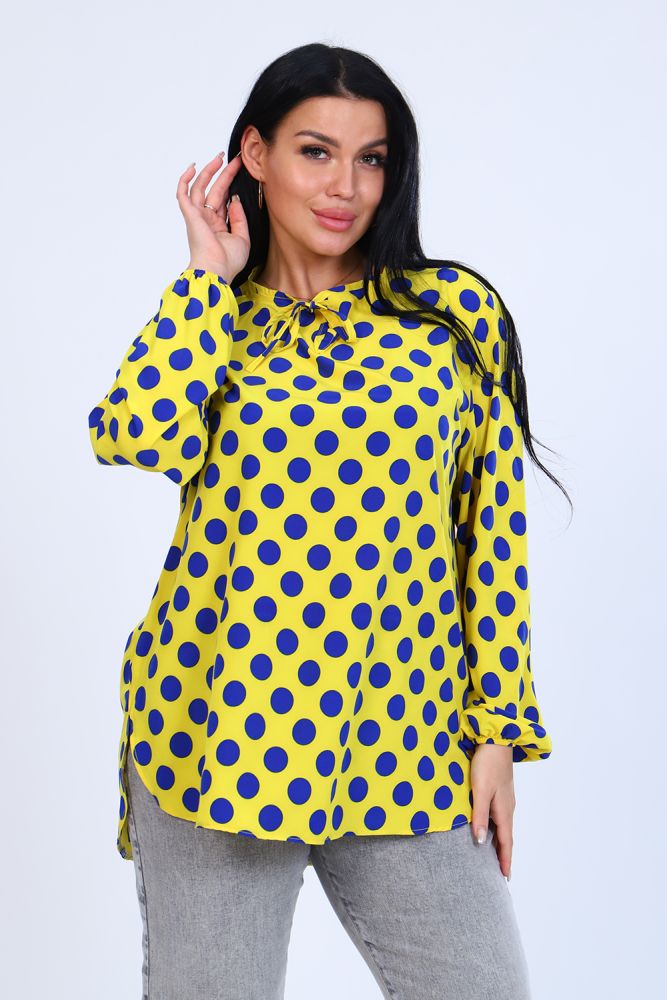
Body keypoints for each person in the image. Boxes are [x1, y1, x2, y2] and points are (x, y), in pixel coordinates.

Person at [88, 41, 568, 1000]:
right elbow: (132, 434)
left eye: (371, 158)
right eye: (315, 152)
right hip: (216, 733)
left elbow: (491, 539)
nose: (346, 186)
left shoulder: (449, 318)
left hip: (406, 738)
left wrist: (498, 733)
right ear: (254, 156)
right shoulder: (218, 320)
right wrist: (205, 277)